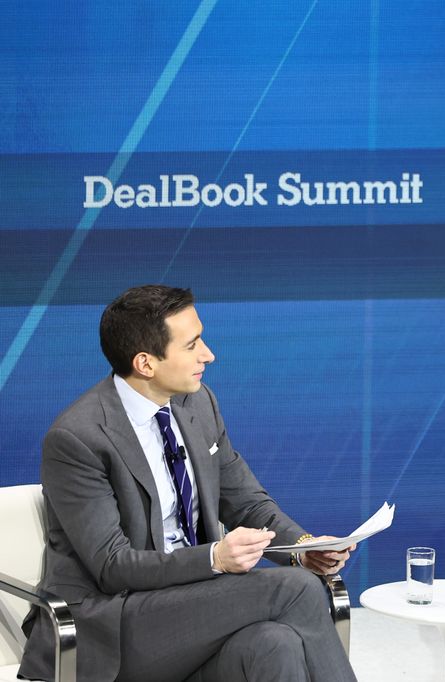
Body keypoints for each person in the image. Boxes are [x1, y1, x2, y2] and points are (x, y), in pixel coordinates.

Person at [19, 285, 358, 682]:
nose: (208, 354)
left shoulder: (196, 403)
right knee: (295, 590)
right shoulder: (78, 438)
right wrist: (214, 557)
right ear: (146, 363)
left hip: (192, 605)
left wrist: (303, 549)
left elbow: (246, 502)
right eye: (192, 344)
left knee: (273, 642)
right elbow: (113, 566)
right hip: (114, 623)